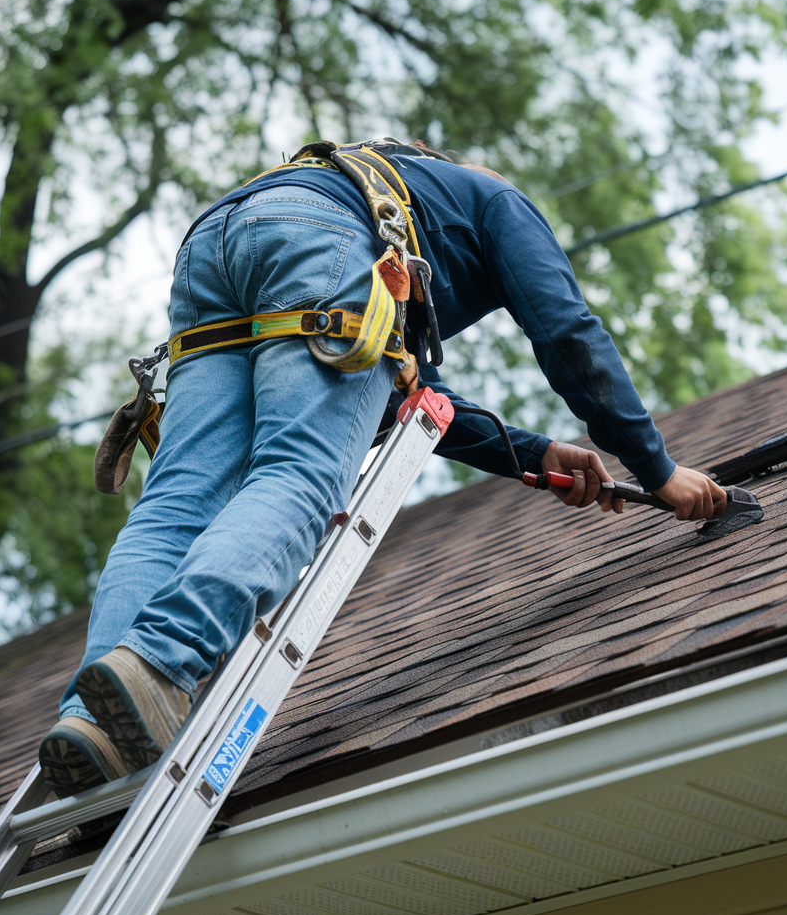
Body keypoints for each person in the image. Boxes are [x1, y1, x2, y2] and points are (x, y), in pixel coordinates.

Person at [38, 140, 727, 798]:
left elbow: (405, 393)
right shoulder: (496, 201)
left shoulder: (389, 189)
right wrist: (657, 468)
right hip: (317, 241)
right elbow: (569, 333)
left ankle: (93, 722)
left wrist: (534, 454)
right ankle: (164, 658)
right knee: (300, 477)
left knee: (176, 507)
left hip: (216, 243)